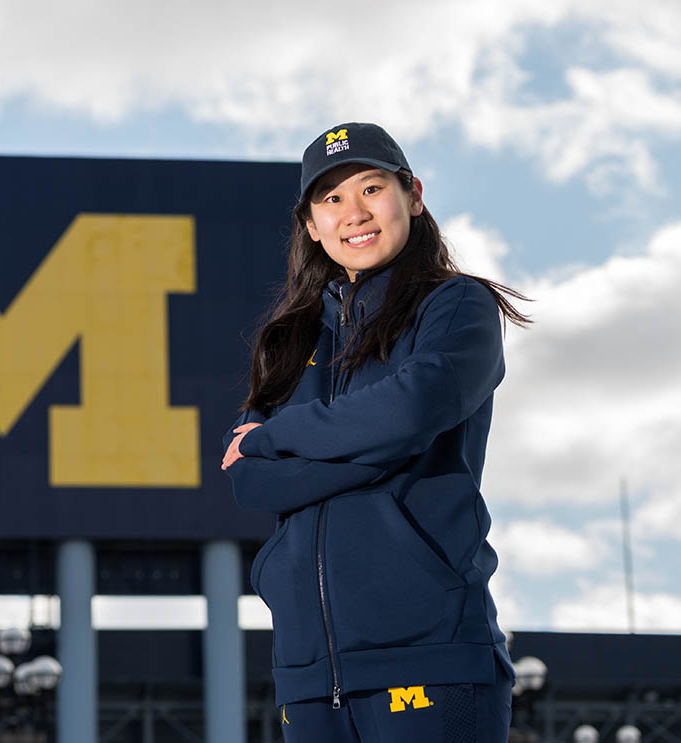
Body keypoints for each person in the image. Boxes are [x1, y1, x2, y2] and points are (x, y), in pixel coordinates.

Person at [221, 122, 530, 743]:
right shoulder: (290, 342)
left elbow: (411, 410)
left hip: (432, 658)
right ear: (310, 224)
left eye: (371, 188)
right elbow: (250, 482)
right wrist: (373, 449)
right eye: (331, 199)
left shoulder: (457, 306)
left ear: (413, 195)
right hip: (308, 677)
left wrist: (273, 438)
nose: (353, 213)